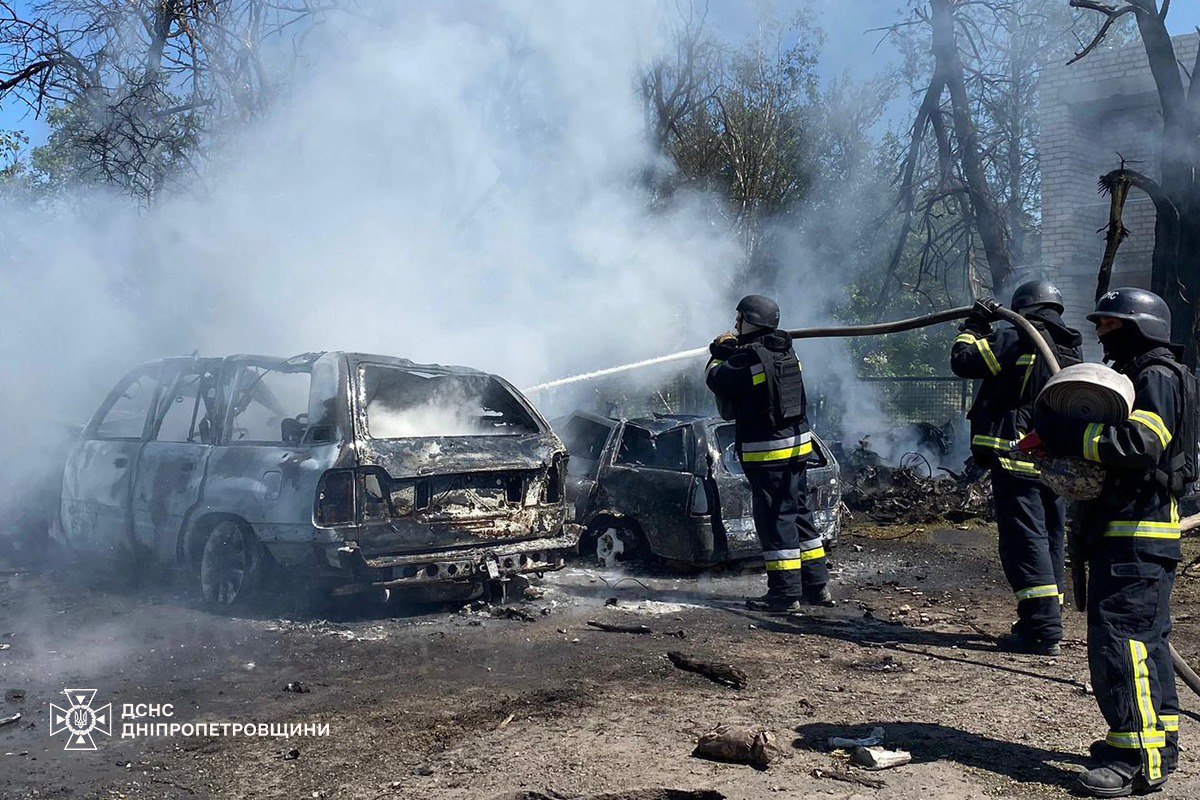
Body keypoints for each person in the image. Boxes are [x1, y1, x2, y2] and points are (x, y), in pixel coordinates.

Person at [1027, 287, 1192, 797]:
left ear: (1140, 327)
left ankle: (1136, 760)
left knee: (1123, 646)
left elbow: (1141, 444)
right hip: (1136, 535)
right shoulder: (1157, 375)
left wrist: (1068, 438)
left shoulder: (1155, 377)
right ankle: (1156, 743)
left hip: (1134, 535)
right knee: (1149, 647)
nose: (1099, 331)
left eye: (1109, 324)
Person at [950, 281, 1083, 655]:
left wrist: (974, 326)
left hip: (1016, 457)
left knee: (1025, 541)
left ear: (1022, 307)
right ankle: (1046, 617)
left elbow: (964, 362)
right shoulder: (1069, 346)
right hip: (1052, 462)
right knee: (1051, 537)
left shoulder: (1019, 336)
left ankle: (1041, 629)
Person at [706, 294, 831, 611]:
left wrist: (719, 354)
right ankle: (816, 587)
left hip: (770, 456)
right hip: (797, 449)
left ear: (752, 321)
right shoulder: (785, 350)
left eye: (739, 319)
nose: (735, 324)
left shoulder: (749, 359)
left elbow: (717, 380)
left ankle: (784, 595)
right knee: (801, 515)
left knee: (776, 521)